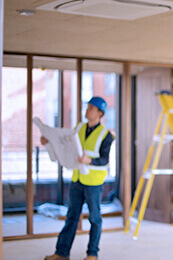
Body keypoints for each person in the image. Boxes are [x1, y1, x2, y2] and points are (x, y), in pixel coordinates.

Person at [44, 97, 114, 260]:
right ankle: (61, 253)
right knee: (71, 218)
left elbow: (104, 160)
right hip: (77, 180)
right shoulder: (78, 128)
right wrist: (49, 143)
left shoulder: (106, 135)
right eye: (87, 107)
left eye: (91, 108)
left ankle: (92, 254)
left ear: (99, 113)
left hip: (94, 183)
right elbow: (65, 146)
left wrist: (89, 160)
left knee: (95, 219)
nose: (87, 110)